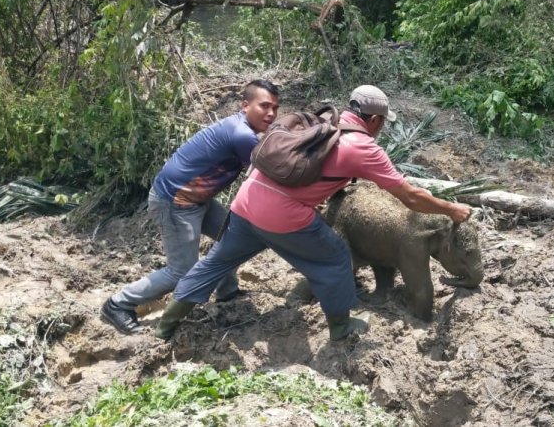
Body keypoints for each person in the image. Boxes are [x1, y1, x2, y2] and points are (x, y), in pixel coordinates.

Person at [152, 85, 473, 341]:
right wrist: (451, 208)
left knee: (215, 262)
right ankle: (341, 327)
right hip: (282, 215)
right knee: (334, 256)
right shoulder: (363, 147)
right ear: (375, 120)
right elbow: (411, 198)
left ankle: (167, 324)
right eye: (382, 123)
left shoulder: (321, 121)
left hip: (247, 200)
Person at [100, 80, 280, 334]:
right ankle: (117, 304)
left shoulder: (241, 127)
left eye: (275, 107)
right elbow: (271, 174)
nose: (271, 113)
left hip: (196, 199)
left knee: (234, 237)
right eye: (264, 106)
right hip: (175, 202)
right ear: (245, 105)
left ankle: (227, 291)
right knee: (181, 269)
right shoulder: (242, 135)